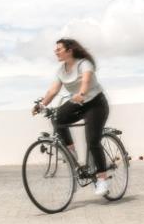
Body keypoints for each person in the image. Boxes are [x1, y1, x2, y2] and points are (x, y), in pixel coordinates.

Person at [32, 38, 111, 195]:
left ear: (70, 50)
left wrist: (81, 93)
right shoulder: (61, 71)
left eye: (59, 49)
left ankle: (102, 179)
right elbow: (53, 91)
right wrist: (41, 105)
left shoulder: (84, 64)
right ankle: (73, 155)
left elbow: (86, 81)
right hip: (78, 103)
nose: (56, 51)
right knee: (57, 117)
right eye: (56, 49)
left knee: (93, 140)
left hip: (96, 104)